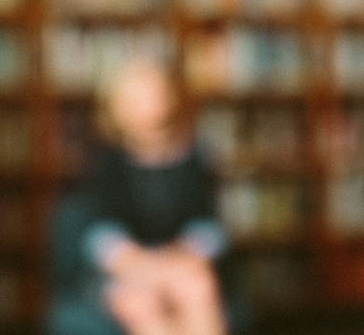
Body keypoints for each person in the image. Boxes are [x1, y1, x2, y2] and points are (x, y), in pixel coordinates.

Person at [48, 57, 231, 335]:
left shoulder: (194, 158)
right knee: (140, 303)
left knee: (198, 288)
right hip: (127, 268)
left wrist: (182, 256)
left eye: (151, 95)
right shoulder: (107, 163)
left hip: (181, 263)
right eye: (133, 99)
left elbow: (209, 225)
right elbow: (100, 231)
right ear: (116, 108)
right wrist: (138, 263)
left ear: (169, 98)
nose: (144, 106)